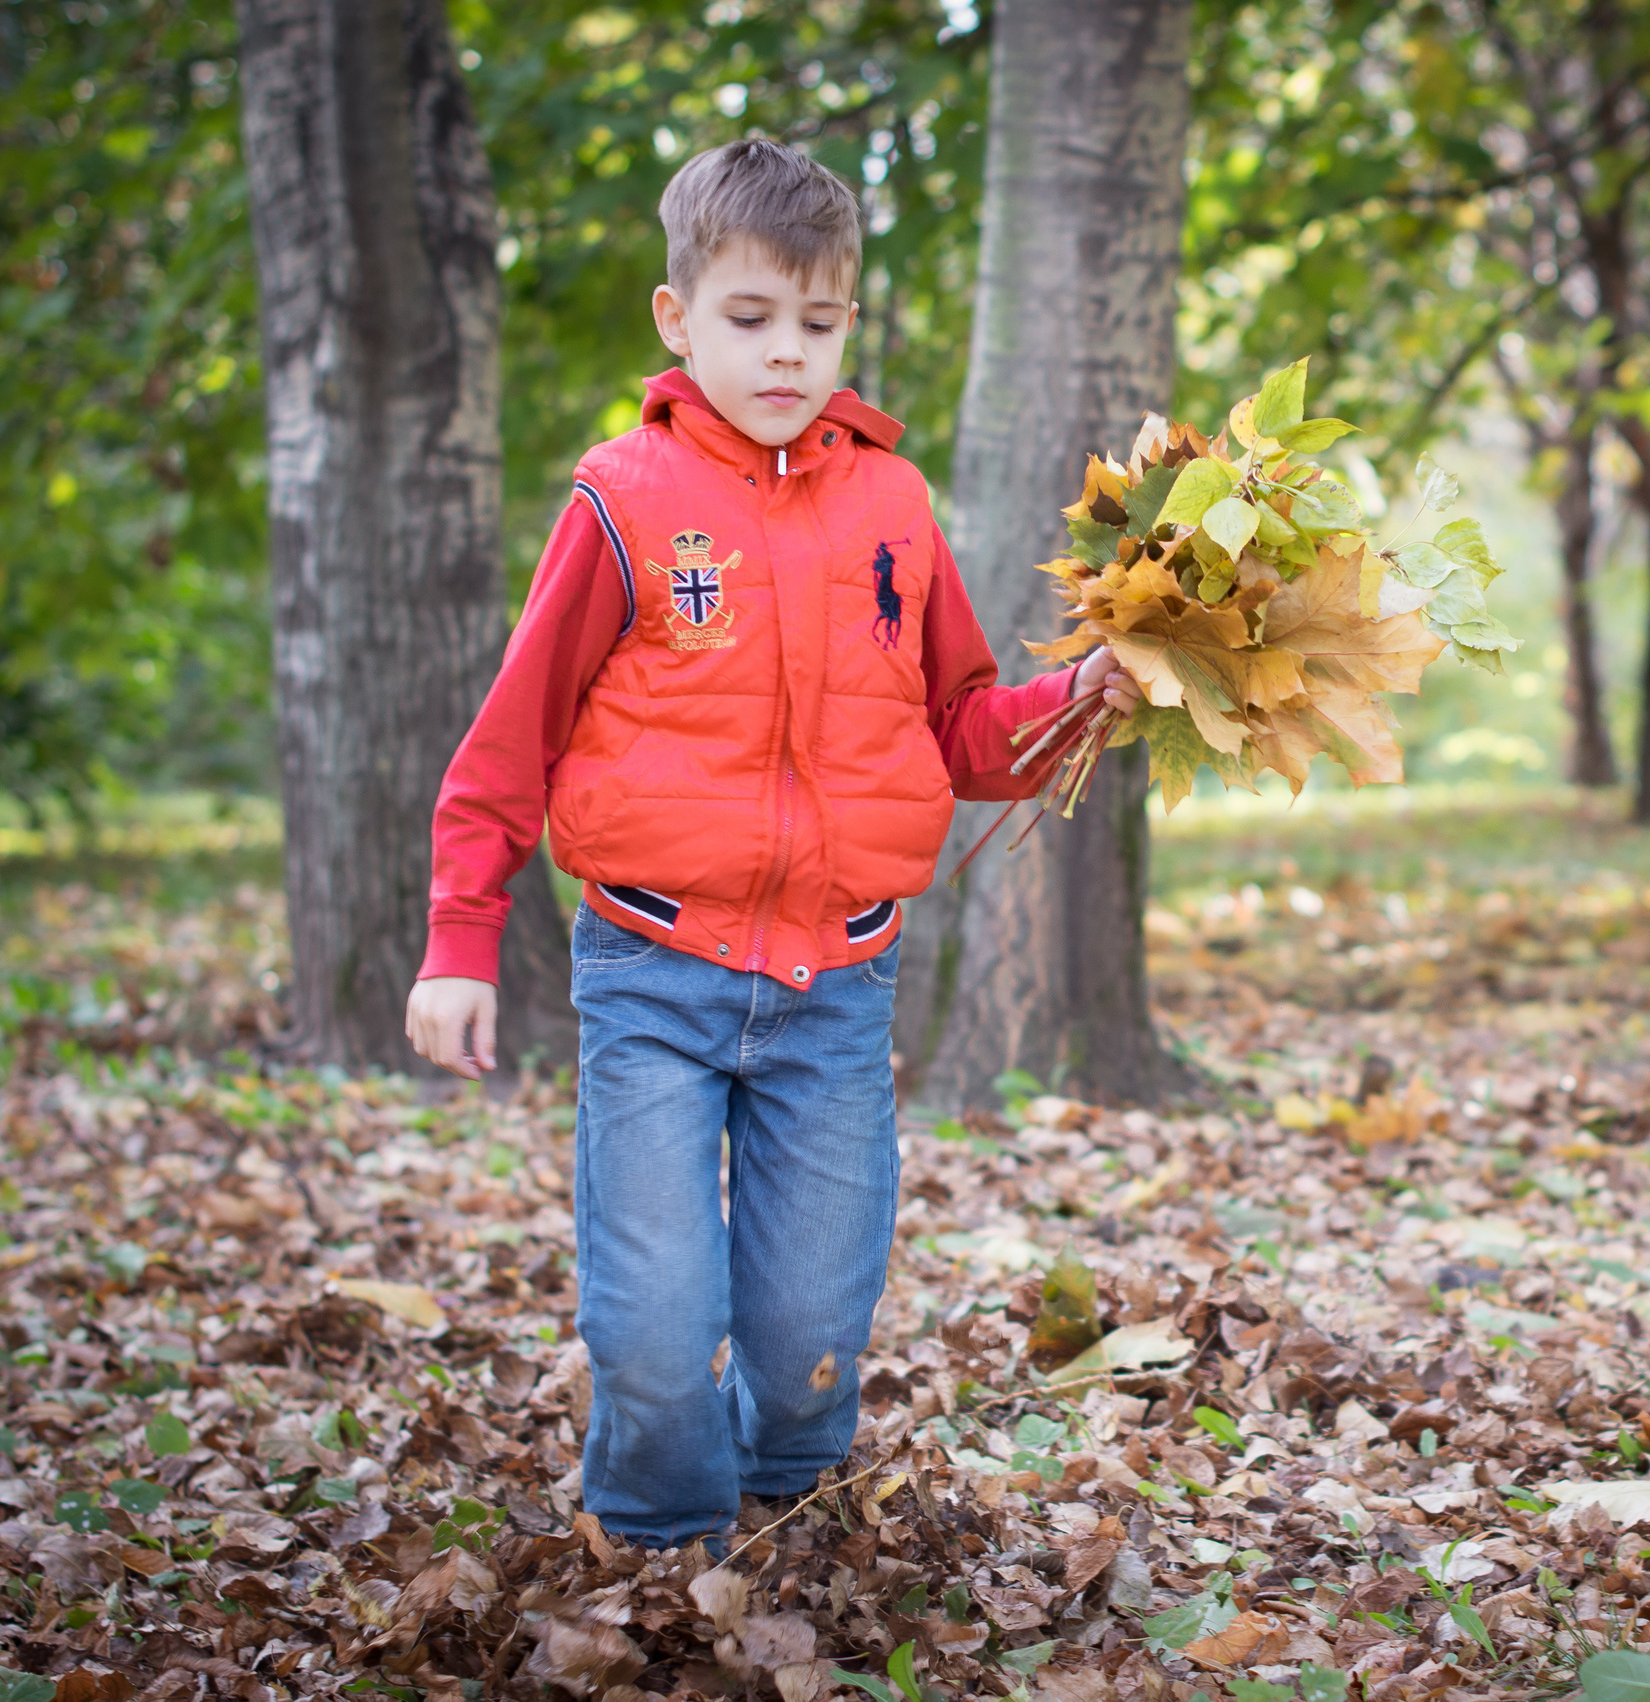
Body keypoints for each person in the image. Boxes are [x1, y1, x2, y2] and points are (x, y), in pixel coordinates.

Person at [404, 139, 1136, 1552]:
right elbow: (510, 738)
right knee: (657, 1312)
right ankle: (661, 1539)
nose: (788, 354)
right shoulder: (622, 498)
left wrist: (1076, 698)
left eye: (819, 322)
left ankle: (791, 1504)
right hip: (653, 966)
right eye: (751, 319)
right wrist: (457, 937)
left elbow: (962, 726)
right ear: (678, 318)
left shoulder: (893, 508)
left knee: (811, 1318)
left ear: (848, 321)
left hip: (835, 988)